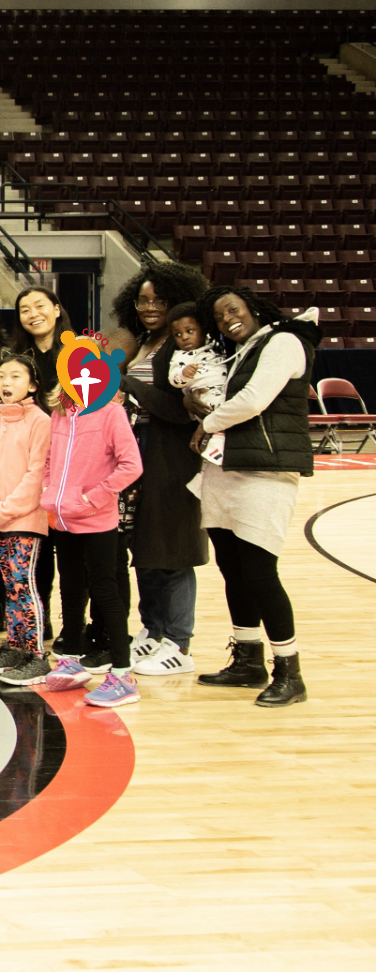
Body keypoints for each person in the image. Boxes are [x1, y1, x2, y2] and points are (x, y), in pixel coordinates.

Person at [191, 287, 319, 707]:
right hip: (226, 470)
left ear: (254, 308)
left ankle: (290, 669)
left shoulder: (284, 341)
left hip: (266, 473)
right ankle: (247, 659)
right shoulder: (243, 350)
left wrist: (207, 420)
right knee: (234, 571)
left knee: (261, 573)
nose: (228, 318)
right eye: (219, 315)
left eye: (234, 309)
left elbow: (255, 399)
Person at [105, 258, 210, 678]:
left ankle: (179, 643)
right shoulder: (143, 344)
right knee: (145, 550)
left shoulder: (186, 346)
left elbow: (182, 410)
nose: (149, 307)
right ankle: (152, 629)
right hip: (138, 455)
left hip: (172, 455)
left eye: (159, 300)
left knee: (174, 552)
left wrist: (127, 384)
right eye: (143, 299)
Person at [39, 368, 144, 705]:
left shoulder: (112, 412)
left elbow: (131, 465)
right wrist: (48, 489)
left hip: (98, 520)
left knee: (104, 589)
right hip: (62, 519)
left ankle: (123, 673)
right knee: (69, 588)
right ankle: (71, 659)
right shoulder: (60, 414)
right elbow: (50, 459)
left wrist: (93, 498)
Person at [0, 353, 51, 678]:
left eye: (15, 376)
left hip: (24, 520)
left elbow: (36, 474)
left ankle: (36, 654)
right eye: (2, 375)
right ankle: (15, 648)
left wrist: (4, 509)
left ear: (32, 384)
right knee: (9, 586)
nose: (6, 382)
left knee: (22, 584)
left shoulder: (40, 421)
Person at [167, 304, 228, 471]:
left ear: (202, 329)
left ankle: (219, 441)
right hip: (204, 394)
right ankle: (215, 448)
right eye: (178, 335)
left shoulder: (214, 346)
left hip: (223, 387)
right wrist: (184, 374)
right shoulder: (180, 357)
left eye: (190, 331)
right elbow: (174, 379)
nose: (184, 337)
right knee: (219, 411)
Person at [11, 287, 73, 402]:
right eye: (25, 311)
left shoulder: (78, 352)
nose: (33, 314)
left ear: (57, 310)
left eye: (40, 306)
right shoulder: (15, 357)